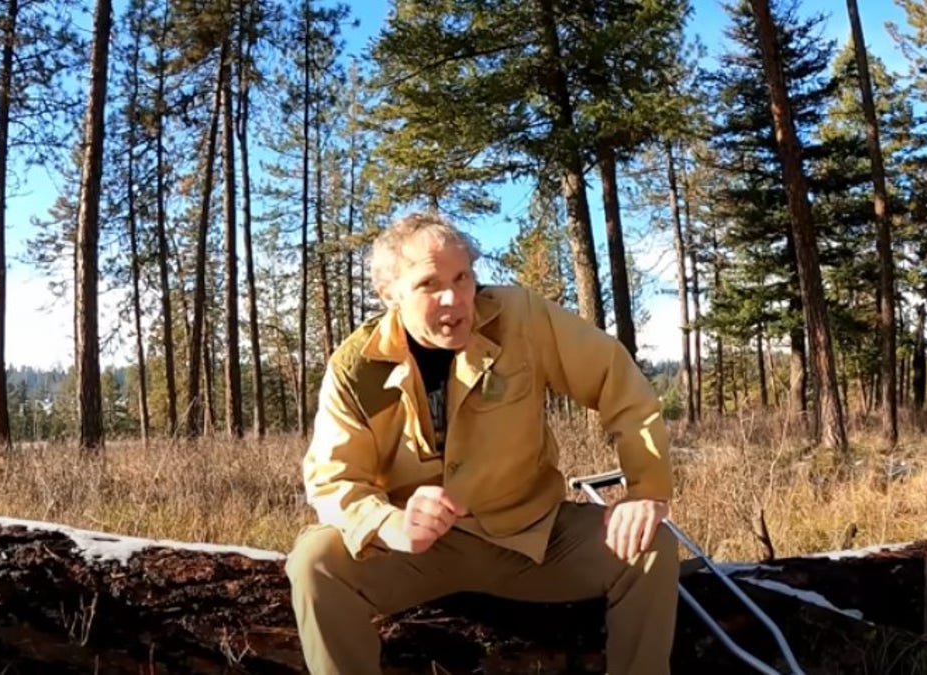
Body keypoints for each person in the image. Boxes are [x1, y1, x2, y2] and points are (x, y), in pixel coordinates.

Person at [285, 211, 679, 675]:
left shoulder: (521, 319)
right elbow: (332, 480)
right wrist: (389, 523)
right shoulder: (357, 367)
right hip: (417, 553)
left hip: (533, 537)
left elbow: (619, 381)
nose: (454, 298)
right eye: (429, 284)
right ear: (389, 294)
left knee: (651, 544)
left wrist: (646, 490)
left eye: (463, 277)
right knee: (314, 563)